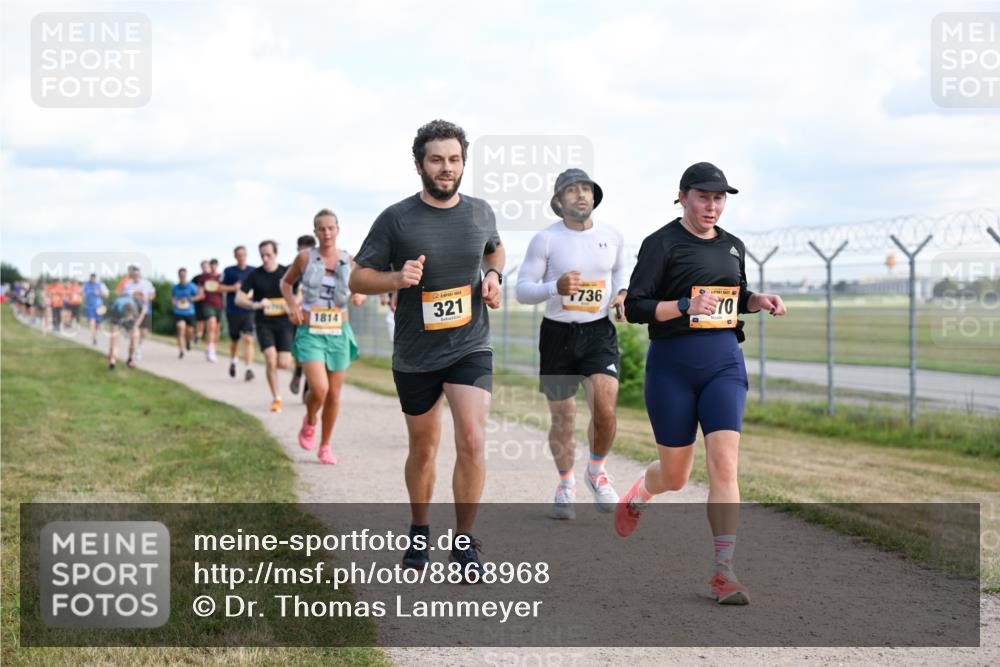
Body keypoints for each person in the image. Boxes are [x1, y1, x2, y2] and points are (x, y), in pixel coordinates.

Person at [618, 162, 788, 605]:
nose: (712, 206)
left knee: (724, 463)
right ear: (682, 196)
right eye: (703, 197)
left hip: (723, 365)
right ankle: (641, 491)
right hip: (672, 367)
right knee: (675, 475)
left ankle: (723, 571)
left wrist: (758, 300)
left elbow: (737, 296)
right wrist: (683, 304)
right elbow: (635, 307)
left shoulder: (733, 247)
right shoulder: (661, 243)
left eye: (719, 198)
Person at [350, 119, 504, 579]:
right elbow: (358, 276)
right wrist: (396, 279)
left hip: (469, 344)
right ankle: (420, 528)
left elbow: (494, 251)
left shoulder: (479, 212)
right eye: (436, 159)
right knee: (423, 447)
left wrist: (493, 277)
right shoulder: (396, 219)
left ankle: (464, 542)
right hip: (416, 352)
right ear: (419, 164)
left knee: (473, 438)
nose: (446, 168)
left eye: (454, 159)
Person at [515, 168, 628, 520]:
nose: (581, 195)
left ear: (594, 197)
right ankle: (565, 484)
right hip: (557, 335)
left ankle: (596, 470)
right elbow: (521, 290)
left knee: (606, 409)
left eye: (586, 189)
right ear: (558, 200)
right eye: (572, 190)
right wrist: (554, 288)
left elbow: (620, 272)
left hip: (598, 333)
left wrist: (623, 294)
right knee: (564, 419)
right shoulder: (546, 240)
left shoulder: (612, 235)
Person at [282, 210, 365, 462]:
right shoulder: (305, 258)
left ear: (338, 230)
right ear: (315, 231)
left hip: (339, 332)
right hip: (311, 332)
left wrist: (359, 294)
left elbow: (361, 286)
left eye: (331, 228)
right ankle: (309, 420)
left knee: (334, 394)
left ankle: (325, 445)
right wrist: (292, 305)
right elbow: (286, 283)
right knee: (319, 389)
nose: (326, 233)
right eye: (321, 228)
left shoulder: (349, 261)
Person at [237, 240, 298, 412]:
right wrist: (256, 304)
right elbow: (239, 298)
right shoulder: (255, 275)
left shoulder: (286, 272)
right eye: (262, 255)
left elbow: (300, 291)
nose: (265, 259)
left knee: (284, 363)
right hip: (264, 323)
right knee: (271, 359)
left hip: (285, 323)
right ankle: (276, 398)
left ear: (275, 254)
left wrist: (292, 304)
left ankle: (297, 371)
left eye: (268, 255)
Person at [220, 247, 257, 380]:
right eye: (238, 255)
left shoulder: (253, 271)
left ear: (246, 255)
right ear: (235, 256)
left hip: (249, 309)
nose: (241, 257)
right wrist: (232, 288)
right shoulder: (229, 271)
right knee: (235, 340)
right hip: (233, 310)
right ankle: (233, 361)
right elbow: (219, 287)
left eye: (243, 255)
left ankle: (248, 369)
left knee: (248, 338)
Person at [289, 234, 317, 397]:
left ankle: (309, 386)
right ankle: (298, 372)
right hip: (299, 318)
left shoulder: (322, 267)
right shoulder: (294, 268)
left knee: (316, 355)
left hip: (319, 318)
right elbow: (286, 288)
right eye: (301, 250)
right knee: (301, 351)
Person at [119, 266, 156, 360]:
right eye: (134, 274)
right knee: (135, 331)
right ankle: (133, 353)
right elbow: (123, 296)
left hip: (145, 309)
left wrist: (147, 298)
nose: (136, 276)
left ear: (140, 274)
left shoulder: (147, 284)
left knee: (144, 332)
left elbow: (152, 294)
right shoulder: (128, 284)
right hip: (132, 310)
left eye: (137, 274)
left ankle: (139, 346)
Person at [194, 258, 224, 362]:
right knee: (211, 324)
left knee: (216, 329)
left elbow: (226, 288)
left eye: (215, 265)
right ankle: (210, 349)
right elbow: (200, 291)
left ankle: (212, 348)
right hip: (207, 304)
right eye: (211, 265)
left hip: (219, 305)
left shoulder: (221, 277)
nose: (213, 267)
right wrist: (194, 298)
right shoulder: (204, 277)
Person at [107, 291, 146, 370]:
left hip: (131, 317)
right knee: (115, 340)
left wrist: (135, 325)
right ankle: (112, 363)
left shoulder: (137, 305)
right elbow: (114, 324)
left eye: (130, 316)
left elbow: (143, 312)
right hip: (117, 318)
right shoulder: (116, 308)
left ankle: (130, 359)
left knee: (135, 337)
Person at [172, 268, 200, 359]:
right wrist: (174, 302)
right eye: (180, 276)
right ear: (178, 276)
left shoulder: (192, 286)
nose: (182, 277)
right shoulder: (175, 287)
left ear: (186, 275)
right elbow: (173, 298)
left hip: (190, 312)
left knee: (190, 331)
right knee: (181, 328)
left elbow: (199, 296)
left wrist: (189, 299)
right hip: (179, 312)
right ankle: (181, 351)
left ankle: (189, 341)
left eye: (183, 275)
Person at [83, 273, 109, 345]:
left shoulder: (101, 285)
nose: (93, 279)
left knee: (98, 323)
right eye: (91, 278)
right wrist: (83, 296)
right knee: (92, 321)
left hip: (100, 307)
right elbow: (82, 294)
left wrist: (100, 293)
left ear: (96, 278)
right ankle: (93, 338)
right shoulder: (86, 285)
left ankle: (95, 334)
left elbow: (107, 296)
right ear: (90, 278)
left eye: (94, 278)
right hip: (89, 307)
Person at [192, 260, 210, 344]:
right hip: (200, 302)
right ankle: (198, 336)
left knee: (210, 321)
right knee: (200, 320)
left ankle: (208, 340)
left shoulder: (213, 277)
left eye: (206, 266)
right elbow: (192, 289)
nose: (205, 268)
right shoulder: (196, 278)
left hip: (211, 302)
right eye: (203, 266)